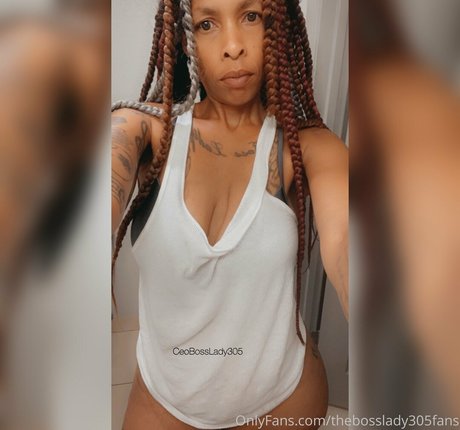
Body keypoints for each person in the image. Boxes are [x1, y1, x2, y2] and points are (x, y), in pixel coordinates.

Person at [111, 0, 348, 428]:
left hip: (284, 400)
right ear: (185, 38)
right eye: (207, 24)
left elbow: (350, 245)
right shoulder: (145, 131)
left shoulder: (308, 146)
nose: (233, 45)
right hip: (165, 403)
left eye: (250, 16)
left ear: (277, 26)